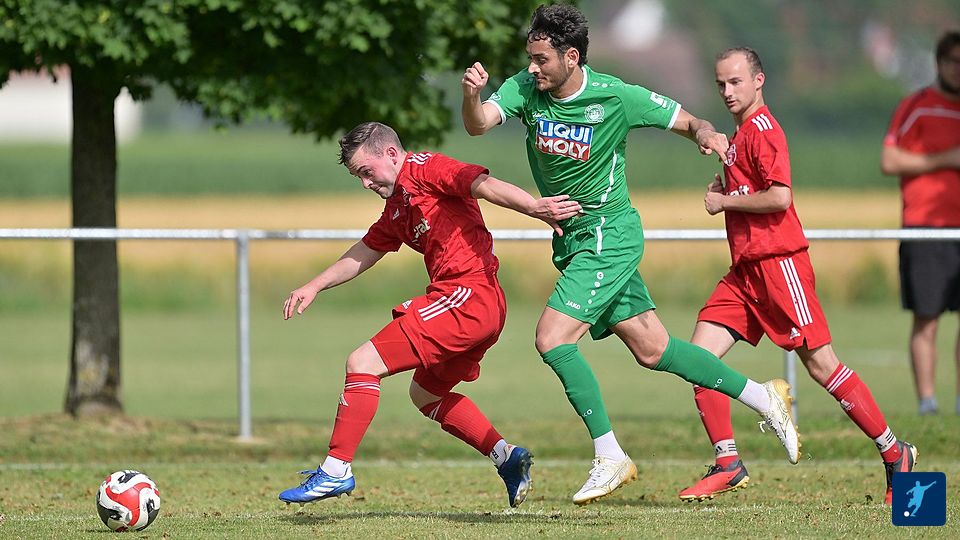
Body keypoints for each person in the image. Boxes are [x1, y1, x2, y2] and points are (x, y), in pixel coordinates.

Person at [461, 3, 800, 506]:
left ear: (571, 57)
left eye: (542, 59)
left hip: (609, 235)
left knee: (552, 338)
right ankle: (762, 395)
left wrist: (706, 133)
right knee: (654, 350)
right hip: (574, 241)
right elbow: (478, 125)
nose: (532, 67)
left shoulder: (616, 96)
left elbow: (689, 121)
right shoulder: (525, 87)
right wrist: (472, 96)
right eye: (530, 58)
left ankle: (609, 453)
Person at [277, 121, 582, 508]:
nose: (365, 184)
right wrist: (314, 285)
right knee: (425, 395)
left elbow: (481, 183)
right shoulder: (398, 206)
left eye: (366, 172)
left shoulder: (425, 168)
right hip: (478, 305)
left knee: (362, 362)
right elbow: (366, 251)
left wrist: (533, 207)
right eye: (358, 177)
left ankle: (335, 470)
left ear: (391, 154)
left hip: (466, 298)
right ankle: (506, 457)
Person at [677, 47, 916, 505]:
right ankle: (728, 463)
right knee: (696, 359)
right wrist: (725, 187)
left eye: (736, 82)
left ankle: (894, 452)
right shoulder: (739, 135)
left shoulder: (765, 130)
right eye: (720, 84)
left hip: (779, 265)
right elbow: (751, 190)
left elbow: (780, 197)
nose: (727, 91)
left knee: (822, 365)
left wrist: (725, 202)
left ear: (759, 80)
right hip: (745, 273)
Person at [881, 30, 960, 416]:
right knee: (926, 319)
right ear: (939, 63)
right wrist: (945, 159)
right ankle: (927, 405)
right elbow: (889, 160)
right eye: (953, 62)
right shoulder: (917, 106)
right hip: (925, 228)